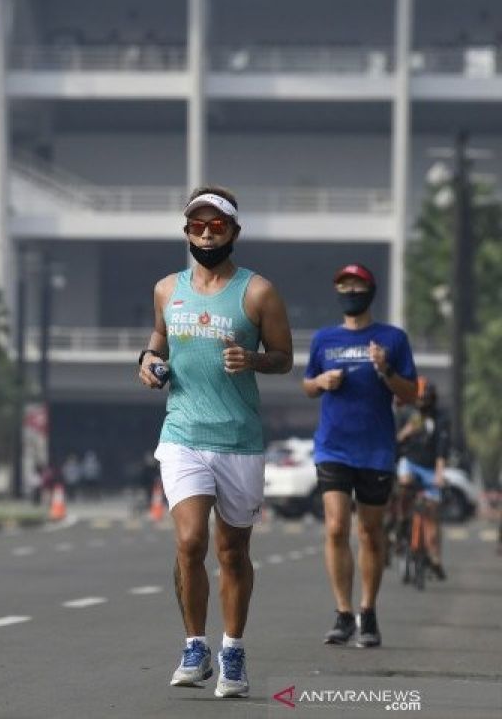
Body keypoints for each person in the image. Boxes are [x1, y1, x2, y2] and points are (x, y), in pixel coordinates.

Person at [138, 186, 293, 699]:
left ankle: (233, 650)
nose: (207, 233)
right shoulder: (167, 289)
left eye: (216, 225)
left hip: (239, 439)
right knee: (189, 542)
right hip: (182, 432)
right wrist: (148, 362)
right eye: (198, 226)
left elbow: (284, 357)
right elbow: (157, 342)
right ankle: (194, 645)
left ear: (234, 232)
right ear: (186, 232)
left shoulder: (258, 293)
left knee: (232, 551)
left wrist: (253, 360)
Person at [302, 263, 417, 648]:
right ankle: (342, 613)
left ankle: (368, 612)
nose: (350, 291)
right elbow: (308, 384)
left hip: (376, 448)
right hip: (332, 445)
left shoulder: (393, 338)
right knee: (336, 527)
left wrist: (385, 369)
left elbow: (412, 393)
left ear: (370, 290)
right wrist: (320, 381)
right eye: (344, 285)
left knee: (370, 532)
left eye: (357, 285)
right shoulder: (324, 339)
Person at [395, 377, 449, 580]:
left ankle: (435, 558)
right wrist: (407, 431)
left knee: (432, 514)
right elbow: (395, 441)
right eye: (418, 398)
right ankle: (402, 522)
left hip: (430, 468)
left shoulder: (441, 419)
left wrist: (439, 474)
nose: (422, 402)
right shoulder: (406, 415)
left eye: (425, 398)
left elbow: (442, 449)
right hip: (410, 463)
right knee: (405, 484)